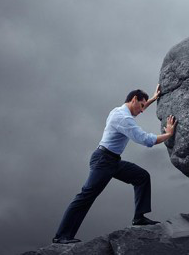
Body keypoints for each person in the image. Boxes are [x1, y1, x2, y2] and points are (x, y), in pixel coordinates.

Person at [52, 84, 177, 244]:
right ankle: (61, 236)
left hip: (112, 160)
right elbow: (145, 140)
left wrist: (152, 98)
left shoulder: (119, 111)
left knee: (141, 177)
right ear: (134, 99)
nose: (142, 110)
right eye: (141, 106)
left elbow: (138, 109)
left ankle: (139, 218)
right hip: (103, 161)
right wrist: (168, 134)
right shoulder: (123, 118)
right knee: (85, 197)